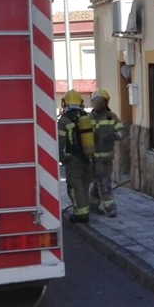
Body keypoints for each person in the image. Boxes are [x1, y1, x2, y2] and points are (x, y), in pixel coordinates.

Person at [57, 91, 94, 223]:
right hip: (88, 157)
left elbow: (60, 141)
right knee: (84, 184)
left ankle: (81, 214)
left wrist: (61, 157)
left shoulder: (64, 120)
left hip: (73, 158)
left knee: (74, 186)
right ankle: (84, 210)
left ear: (65, 103)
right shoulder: (86, 117)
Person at [88, 89, 124, 218]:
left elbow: (121, 132)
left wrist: (114, 135)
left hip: (106, 157)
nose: (97, 104)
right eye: (95, 101)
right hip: (92, 157)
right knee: (103, 181)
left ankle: (93, 205)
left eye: (100, 101)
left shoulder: (112, 117)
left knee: (101, 181)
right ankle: (110, 207)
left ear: (105, 102)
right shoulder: (87, 118)